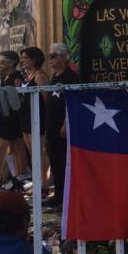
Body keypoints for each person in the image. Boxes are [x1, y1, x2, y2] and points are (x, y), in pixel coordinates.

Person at [44, 43, 79, 208]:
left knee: (64, 160)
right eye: (49, 57)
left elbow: (72, 102)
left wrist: (66, 122)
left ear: (65, 58)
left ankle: (67, 197)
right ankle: (58, 194)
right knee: (55, 160)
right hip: (51, 124)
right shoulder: (55, 76)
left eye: (54, 56)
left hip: (62, 125)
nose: (50, 60)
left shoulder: (70, 77)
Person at [19, 47, 50, 195]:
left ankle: (44, 183)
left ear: (34, 59)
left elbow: (46, 98)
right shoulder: (27, 75)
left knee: (40, 151)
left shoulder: (40, 76)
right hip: (26, 116)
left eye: (25, 58)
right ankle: (36, 180)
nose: (23, 61)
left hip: (37, 116)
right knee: (32, 151)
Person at [0, 51, 29, 189]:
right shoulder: (4, 78)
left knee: (18, 145)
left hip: (14, 115)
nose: (0, 64)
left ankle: (23, 173)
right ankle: (16, 173)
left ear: (12, 63)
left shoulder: (17, 78)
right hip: (5, 115)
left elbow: (18, 97)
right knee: (11, 146)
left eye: (3, 61)